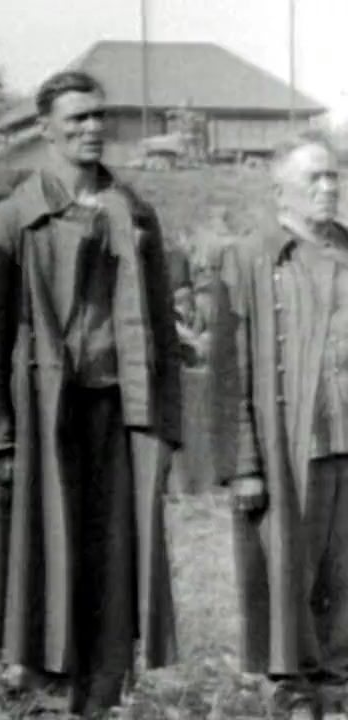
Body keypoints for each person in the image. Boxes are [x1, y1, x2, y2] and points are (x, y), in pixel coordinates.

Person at [0, 70, 181, 716]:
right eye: (76, 117)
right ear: (45, 128)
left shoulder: (134, 213)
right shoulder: (13, 217)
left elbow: (162, 330)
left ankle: (101, 697)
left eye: (97, 116)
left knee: (115, 561)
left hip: (120, 412)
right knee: (44, 558)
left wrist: (165, 426)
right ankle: (42, 693)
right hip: (44, 417)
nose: (91, 128)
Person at [210, 131, 348, 720]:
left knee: (343, 572)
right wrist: (244, 464)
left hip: (345, 438)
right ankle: (290, 684)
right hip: (289, 444)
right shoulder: (250, 257)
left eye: (333, 175)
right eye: (314, 177)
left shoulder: (346, 248)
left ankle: (338, 683)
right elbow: (228, 367)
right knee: (288, 567)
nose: (328, 187)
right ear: (279, 189)